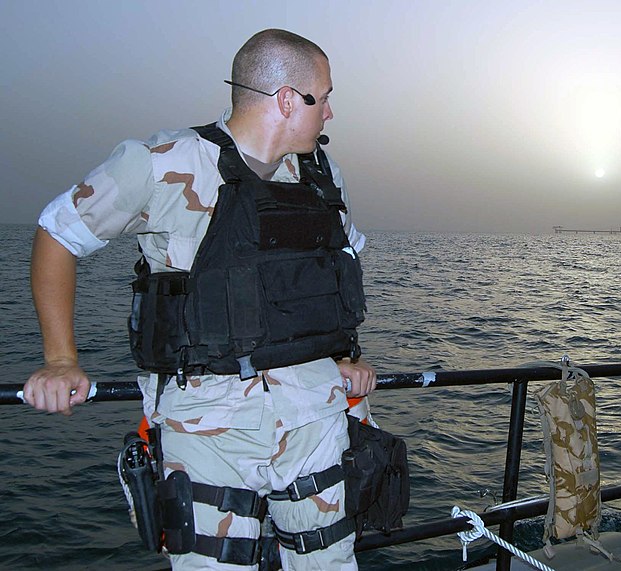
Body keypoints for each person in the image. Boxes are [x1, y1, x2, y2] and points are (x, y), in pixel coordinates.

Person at [23, 29, 376, 571]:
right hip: (207, 432)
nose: (329, 113)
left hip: (314, 422)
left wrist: (346, 358)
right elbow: (58, 233)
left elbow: (336, 270)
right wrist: (61, 361)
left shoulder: (323, 178)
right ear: (287, 99)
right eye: (323, 97)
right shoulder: (162, 163)